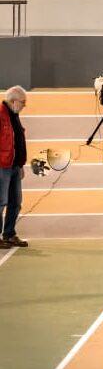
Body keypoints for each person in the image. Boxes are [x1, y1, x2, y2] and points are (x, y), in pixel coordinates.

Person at [0, 87, 29, 249]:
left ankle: (9, 234)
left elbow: (17, 141)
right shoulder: (0, 115)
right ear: (12, 101)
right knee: (0, 202)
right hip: (2, 166)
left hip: (14, 166)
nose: (24, 105)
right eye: (23, 102)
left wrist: (20, 164)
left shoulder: (14, 115)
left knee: (15, 202)